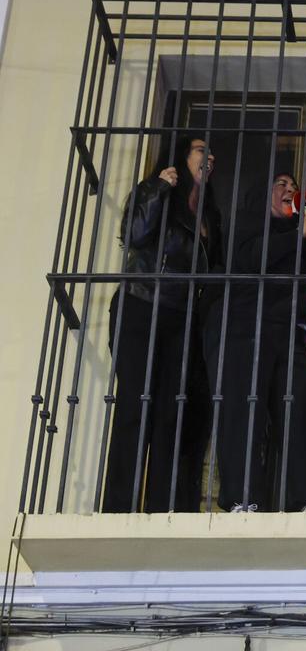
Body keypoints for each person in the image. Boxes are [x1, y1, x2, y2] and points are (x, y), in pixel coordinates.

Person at [204, 113, 306, 513]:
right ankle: (242, 499)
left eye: (294, 187)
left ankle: (304, 501)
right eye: (282, 185)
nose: (291, 191)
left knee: (298, 407)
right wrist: (297, 236)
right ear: (263, 194)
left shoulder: (302, 225)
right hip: (241, 327)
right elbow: (250, 259)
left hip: (287, 330)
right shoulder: (246, 223)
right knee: (243, 409)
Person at [105, 135, 221, 513]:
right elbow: (134, 235)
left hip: (180, 319)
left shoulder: (207, 213)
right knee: (135, 406)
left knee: (170, 415)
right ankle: (118, 509)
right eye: (202, 150)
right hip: (142, 306)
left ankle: (159, 509)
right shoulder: (158, 191)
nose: (210, 157)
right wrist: (158, 188)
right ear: (181, 158)